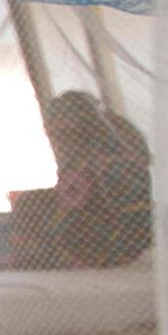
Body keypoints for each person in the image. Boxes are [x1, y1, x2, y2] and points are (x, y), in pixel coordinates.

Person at [10, 89, 152, 269]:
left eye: (63, 127)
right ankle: (36, 256)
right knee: (29, 201)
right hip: (84, 207)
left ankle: (77, 261)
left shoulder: (116, 142)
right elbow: (69, 188)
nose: (57, 135)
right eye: (52, 130)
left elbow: (129, 194)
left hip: (119, 218)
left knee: (74, 228)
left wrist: (98, 173)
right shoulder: (70, 150)